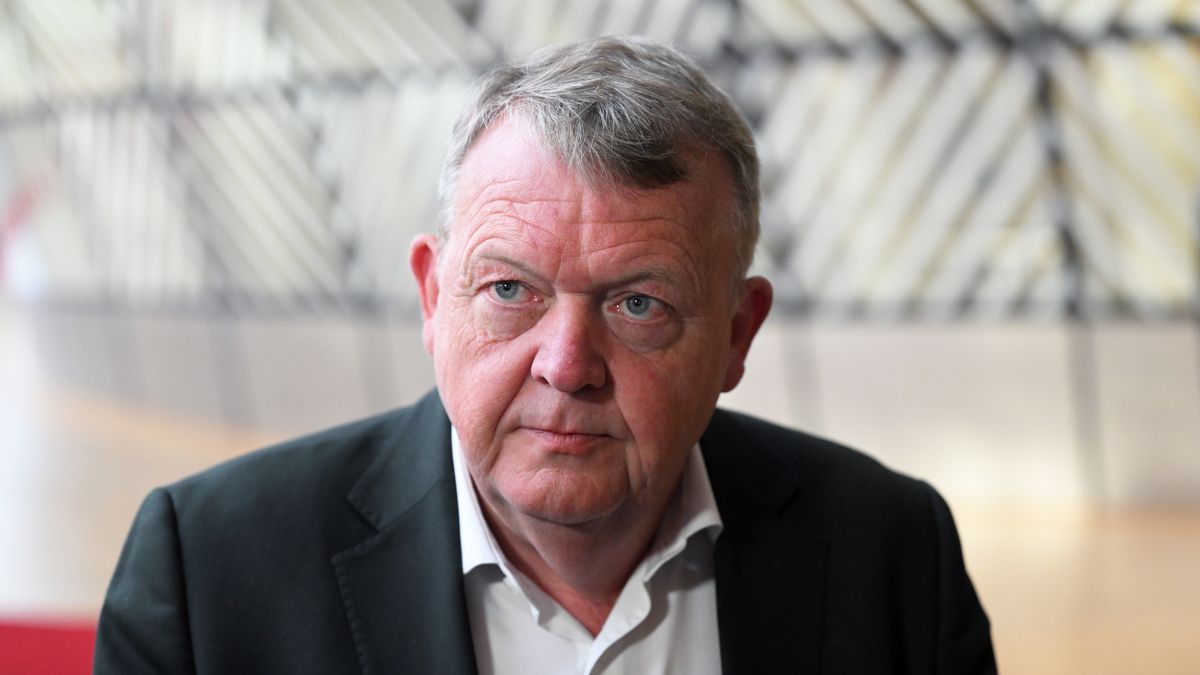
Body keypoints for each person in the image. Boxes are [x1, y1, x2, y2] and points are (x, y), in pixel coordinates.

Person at [95, 36, 996, 674]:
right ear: (431, 297)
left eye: (639, 304)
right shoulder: (209, 574)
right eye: (510, 291)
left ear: (736, 334)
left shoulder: (893, 553)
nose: (567, 364)